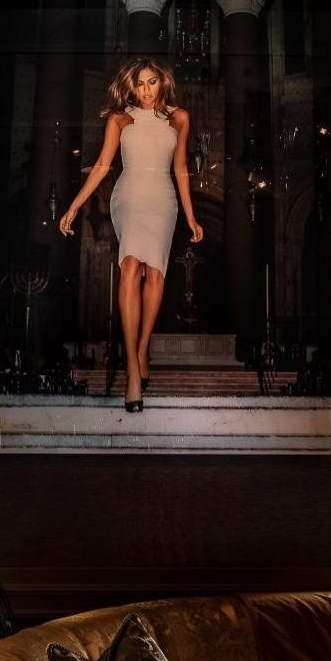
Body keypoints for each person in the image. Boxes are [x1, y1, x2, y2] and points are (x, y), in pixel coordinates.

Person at [58, 57, 204, 413]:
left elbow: (181, 169)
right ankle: (133, 372)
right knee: (129, 268)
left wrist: (191, 216)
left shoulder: (179, 118)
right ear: (131, 87)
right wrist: (74, 206)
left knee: (155, 275)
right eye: (140, 84)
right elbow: (103, 166)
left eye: (152, 82)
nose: (146, 90)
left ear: (162, 82)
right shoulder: (120, 119)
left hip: (163, 200)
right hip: (129, 197)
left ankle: (140, 349)